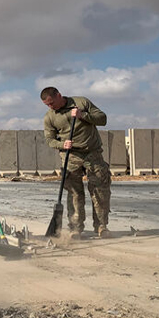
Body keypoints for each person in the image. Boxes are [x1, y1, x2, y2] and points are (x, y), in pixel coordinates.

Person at [41, 87, 111, 239]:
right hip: (70, 156)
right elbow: (49, 140)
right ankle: (75, 229)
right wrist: (62, 145)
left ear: (59, 95)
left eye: (52, 103)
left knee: (100, 190)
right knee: (74, 193)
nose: (50, 107)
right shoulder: (49, 117)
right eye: (47, 105)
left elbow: (103, 119)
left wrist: (83, 115)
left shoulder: (81, 102)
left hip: (92, 153)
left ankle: (101, 226)